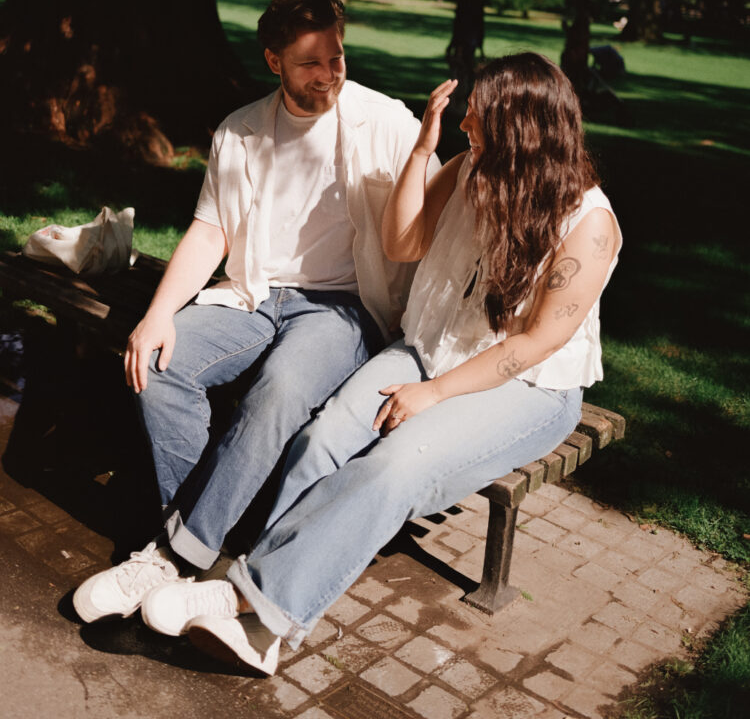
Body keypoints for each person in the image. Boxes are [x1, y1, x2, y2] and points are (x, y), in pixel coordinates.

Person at [136, 52, 622, 675]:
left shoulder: (590, 224)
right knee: (321, 440)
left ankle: (252, 604)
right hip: (428, 351)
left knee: (395, 465)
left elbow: (533, 346)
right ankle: (263, 602)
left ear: (521, 129)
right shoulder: (472, 164)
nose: (467, 119)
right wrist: (423, 150)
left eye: (479, 113)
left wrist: (435, 394)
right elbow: (402, 244)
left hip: (526, 388)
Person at [73, 0, 437, 625]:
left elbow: (435, 208)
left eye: (336, 58)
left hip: (343, 308)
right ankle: (195, 537)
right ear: (274, 62)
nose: (329, 76)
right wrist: (158, 315)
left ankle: (169, 558)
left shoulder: (384, 121)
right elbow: (209, 231)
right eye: (310, 64)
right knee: (160, 366)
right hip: (255, 292)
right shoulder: (239, 131)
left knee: (281, 388)